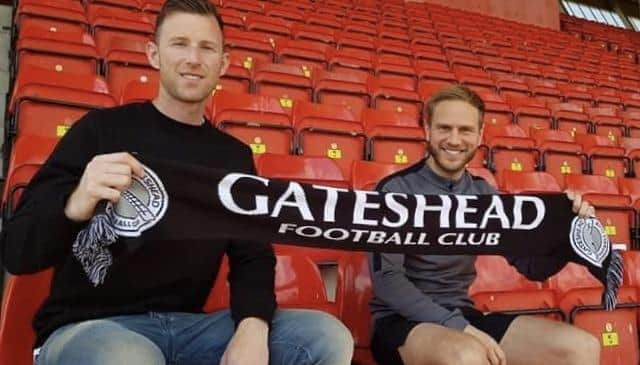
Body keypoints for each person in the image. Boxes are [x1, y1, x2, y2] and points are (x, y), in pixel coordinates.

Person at [2, 1, 353, 364]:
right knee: (130, 358)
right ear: (154, 54)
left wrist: (253, 327)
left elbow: (253, 257)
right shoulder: (99, 131)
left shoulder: (233, 158)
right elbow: (18, 253)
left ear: (224, 63)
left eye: (207, 48)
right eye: (180, 43)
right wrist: (75, 202)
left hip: (188, 330)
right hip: (90, 329)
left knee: (324, 336)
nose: (193, 59)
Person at [368, 85, 601, 365]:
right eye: (444, 128)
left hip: (463, 314)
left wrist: (568, 238)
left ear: (479, 136)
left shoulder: (484, 194)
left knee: (581, 347)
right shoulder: (394, 190)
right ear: (427, 131)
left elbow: (531, 267)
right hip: (401, 323)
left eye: (465, 130)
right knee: (467, 356)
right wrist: (460, 328)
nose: (454, 140)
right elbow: (387, 282)